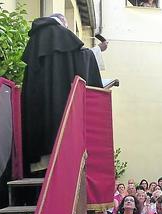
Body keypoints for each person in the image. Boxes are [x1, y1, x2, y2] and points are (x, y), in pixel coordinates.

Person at [21, 13, 103, 174]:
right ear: (63, 23)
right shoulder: (61, 34)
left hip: (37, 102)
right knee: (59, 137)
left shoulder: (35, 39)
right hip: (59, 104)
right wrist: (98, 50)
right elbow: (81, 60)